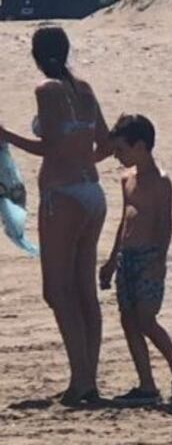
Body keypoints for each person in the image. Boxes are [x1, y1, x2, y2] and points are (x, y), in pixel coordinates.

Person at [0, 26, 112, 406]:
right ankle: (87, 378)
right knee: (83, 290)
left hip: (62, 195)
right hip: (92, 192)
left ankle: (82, 378)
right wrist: (82, 161)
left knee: (57, 290)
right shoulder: (84, 89)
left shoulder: (47, 90)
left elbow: (48, 145)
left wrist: (6, 136)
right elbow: (107, 143)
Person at [99, 114, 172, 407]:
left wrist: (160, 260)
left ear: (140, 146)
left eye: (121, 150)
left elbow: (165, 223)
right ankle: (146, 384)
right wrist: (112, 259)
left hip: (149, 257)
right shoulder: (127, 178)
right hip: (127, 258)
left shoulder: (161, 182)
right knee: (128, 320)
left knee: (146, 320)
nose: (117, 156)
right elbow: (125, 220)